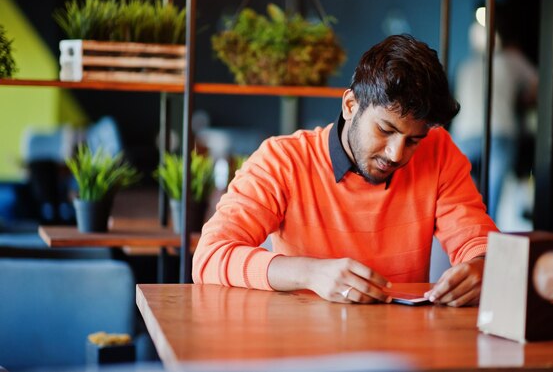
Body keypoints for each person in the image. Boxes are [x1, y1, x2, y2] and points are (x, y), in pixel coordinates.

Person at [193, 34, 498, 307]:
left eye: (413, 140)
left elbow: (477, 243)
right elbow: (208, 257)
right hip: (304, 348)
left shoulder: (439, 151)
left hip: (402, 353)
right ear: (351, 105)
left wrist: (483, 267)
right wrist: (309, 272)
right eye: (385, 129)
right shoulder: (282, 160)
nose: (396, 153)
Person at [451, 18, 538, 222]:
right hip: (501, 130)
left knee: (454, 189)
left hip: (463, 133)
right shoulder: (513, 59)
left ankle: (462, 229)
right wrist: (521, 100)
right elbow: (539, 85)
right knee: (492, 196)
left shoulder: (465, 65)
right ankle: (487, 240)